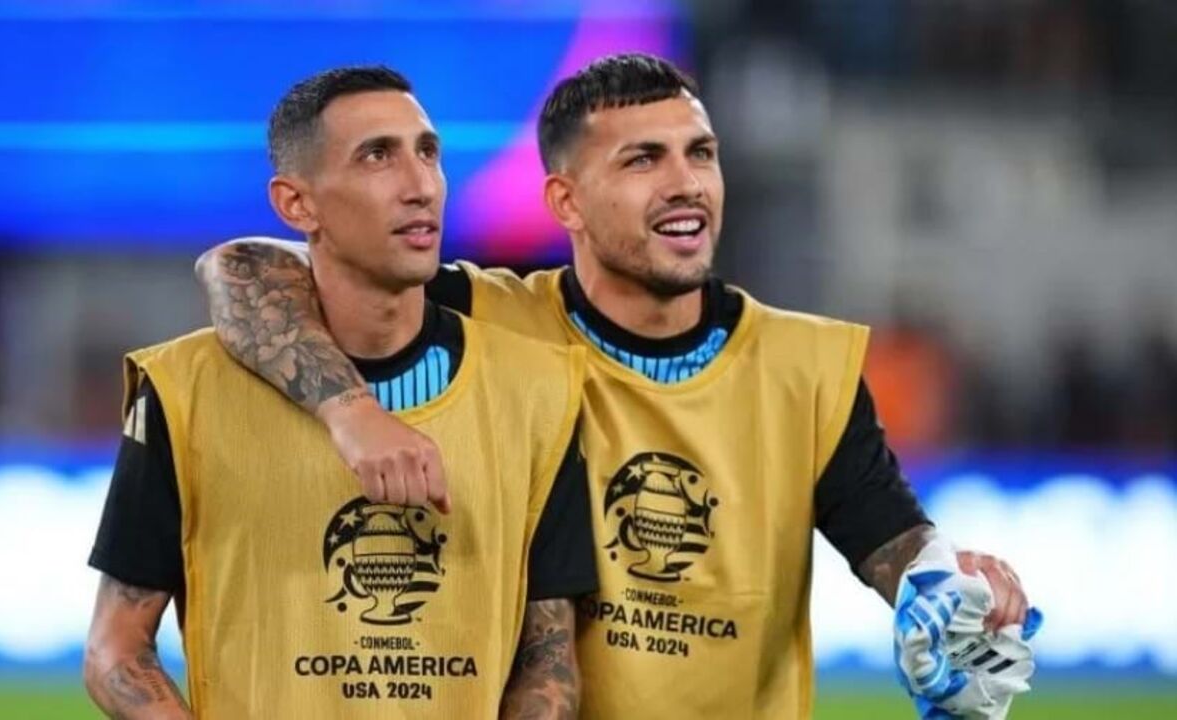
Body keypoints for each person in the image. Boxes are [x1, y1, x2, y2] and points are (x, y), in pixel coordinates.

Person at [195, 54, 1036, 718]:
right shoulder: (484, 316)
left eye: (700, 154)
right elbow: (241, 267)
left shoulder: (804, 367)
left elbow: (891, 537)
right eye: (643, 160)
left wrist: (947, 591)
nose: (686, 184)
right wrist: (350, 413)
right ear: (566, 200)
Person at [83, 66, 596, 719]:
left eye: (428, 153)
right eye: (377, 156)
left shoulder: (540, 392)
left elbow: (548, 660)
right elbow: (116, 650)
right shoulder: (185, 390)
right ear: (297, 205)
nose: (420, 185)